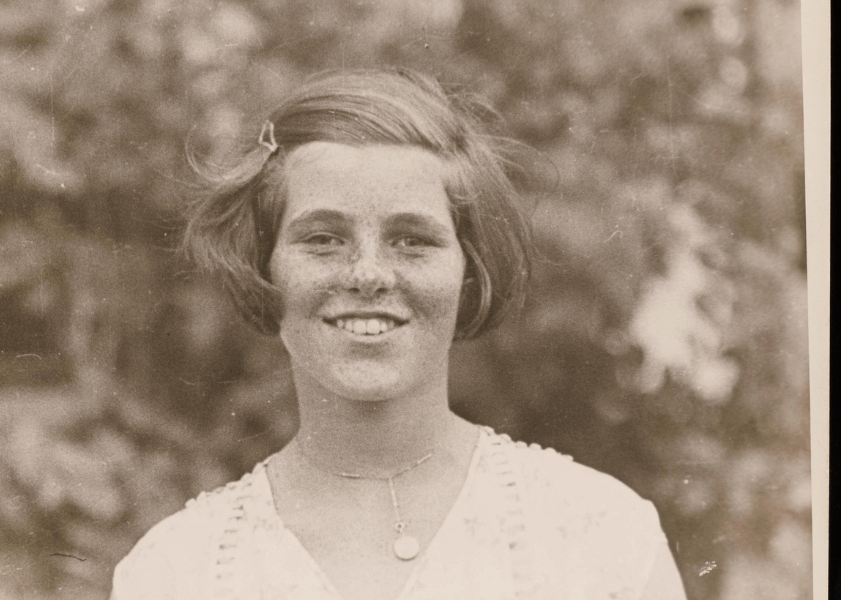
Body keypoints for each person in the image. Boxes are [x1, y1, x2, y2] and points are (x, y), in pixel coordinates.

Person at [110, 67, 688, 600]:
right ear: (264, 266)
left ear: (469, 269)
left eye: (412, 239)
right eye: (323, 239)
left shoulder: (599, 540)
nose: (368, 274)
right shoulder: (179, 571)